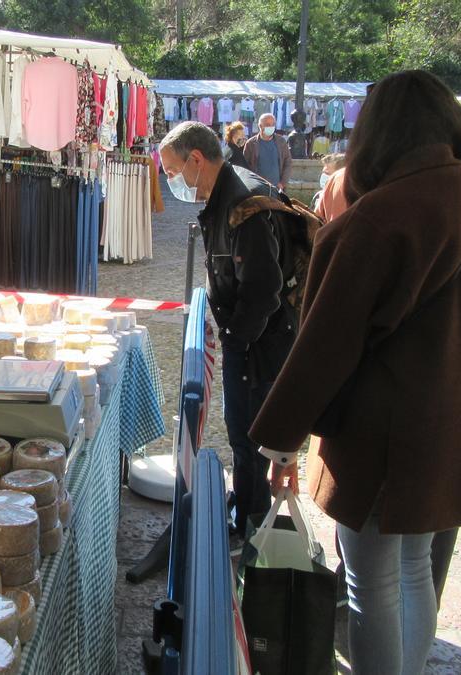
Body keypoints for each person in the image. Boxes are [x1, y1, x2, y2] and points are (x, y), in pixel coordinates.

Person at [250, 70, 461, 674]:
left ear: (376, 135)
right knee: (416, 570)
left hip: (385, 439)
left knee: (372, 582)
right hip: (459, 428)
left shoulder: (376, 219)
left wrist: (280, 439)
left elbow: (325, 347)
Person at [158, 121, 297, 538]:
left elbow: (263, 288)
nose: (171, 181)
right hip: (254, 337)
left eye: (171, 171)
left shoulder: (242, 203)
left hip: (260, 342)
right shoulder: (228, 192)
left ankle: (251, 528)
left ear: (196, 160)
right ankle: (248, 507)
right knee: (246, 434)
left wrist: (235, 339)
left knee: (247, 435)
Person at [243, 113, 293, 192]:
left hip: (277, 188)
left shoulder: (281, 142)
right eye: (267, 124)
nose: (271, 127)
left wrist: (282, 183)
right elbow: (245, 167)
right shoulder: (251, 144)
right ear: (260, 126)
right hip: (257, 189)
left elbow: (288, 163)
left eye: (273, 124)